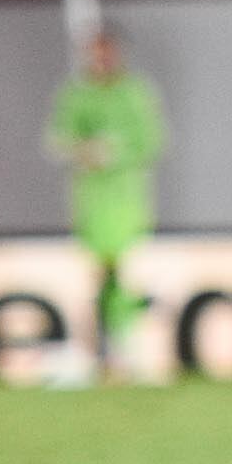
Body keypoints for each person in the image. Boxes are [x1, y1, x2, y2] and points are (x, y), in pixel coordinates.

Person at [46, 28, 164, 379]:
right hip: (91, 204)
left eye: (106, 53)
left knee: (129, 274)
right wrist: (85, 150)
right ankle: (99, 352)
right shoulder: (76, 95)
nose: (100, 61)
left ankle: (130, 349)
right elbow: (57, 140)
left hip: (128, 202)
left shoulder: (135, 93)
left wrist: (114, 152)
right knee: (95, 278)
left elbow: (152, 142)